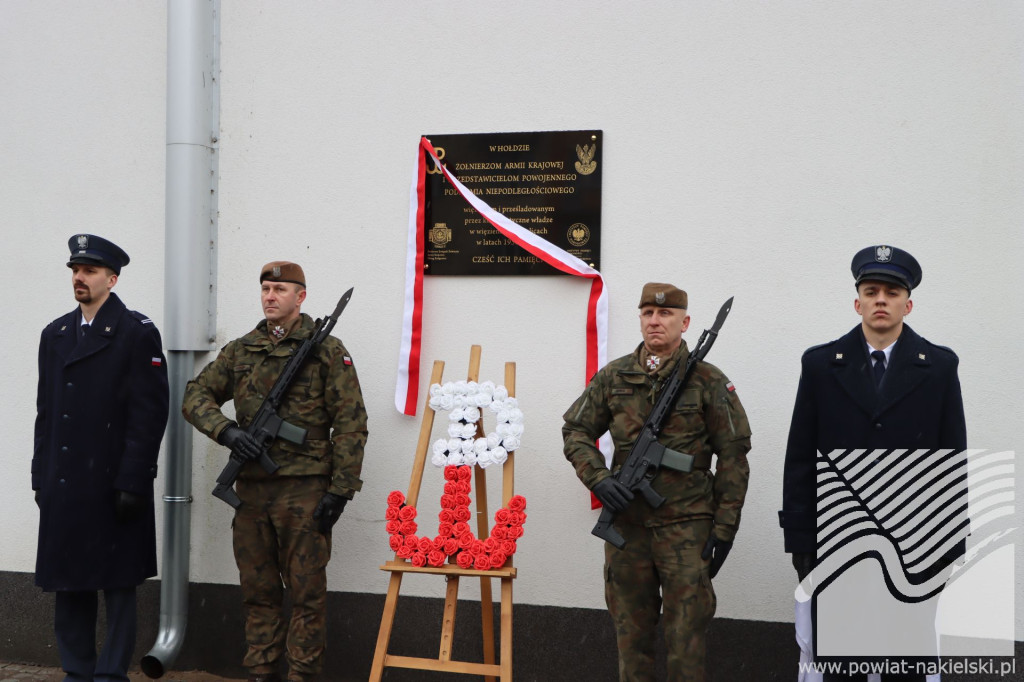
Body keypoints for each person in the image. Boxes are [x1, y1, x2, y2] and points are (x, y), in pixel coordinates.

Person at [779, 245, 967, 682]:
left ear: (909, 303)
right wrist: (803, 541)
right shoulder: (821, 365)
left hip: (913, 546)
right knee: (841, 664)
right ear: (857, 301)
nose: (881, 299)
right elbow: (802, 456)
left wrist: (949, 544)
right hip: (839, 542)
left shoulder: (939, 366)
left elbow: (950, 461)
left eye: (892, 291)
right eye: (872, 289)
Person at [182, 261, 367, 682]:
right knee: (258, 593)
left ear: (300, 297)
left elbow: (352, 421)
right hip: (251, 494)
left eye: (280, 289)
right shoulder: (240, 350)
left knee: (306, 594)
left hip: (304, 492)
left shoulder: (325, 350)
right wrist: (227, 432)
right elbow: (195, 395)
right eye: (265, 288)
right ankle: (260, 671)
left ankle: (302, 675)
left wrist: (340, 489)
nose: (270, 296)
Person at [562, 282, 751, 682]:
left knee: (686, 642)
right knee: (632, 640)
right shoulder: (614, 376)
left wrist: (725, 528)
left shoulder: (708, 380)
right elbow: (576, 430)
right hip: (628, 532)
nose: (655, 321)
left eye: (665, 314)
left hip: (686, 529)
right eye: (647, 313)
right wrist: (598, 479)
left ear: (685, 322)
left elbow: (733, 456)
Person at [33, 234, 169, 682]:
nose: (79, 278)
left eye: (89, 271)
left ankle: (110, 675)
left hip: (112, 481)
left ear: (111, 279)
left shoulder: (136, 332)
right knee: (69, 583)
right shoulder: (54, 334)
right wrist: (41, 476)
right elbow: (46, 413)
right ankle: (77, 671)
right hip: (66, 481)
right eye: (75, 270)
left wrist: (133, 480)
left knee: (117, 584)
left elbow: (149, 415)